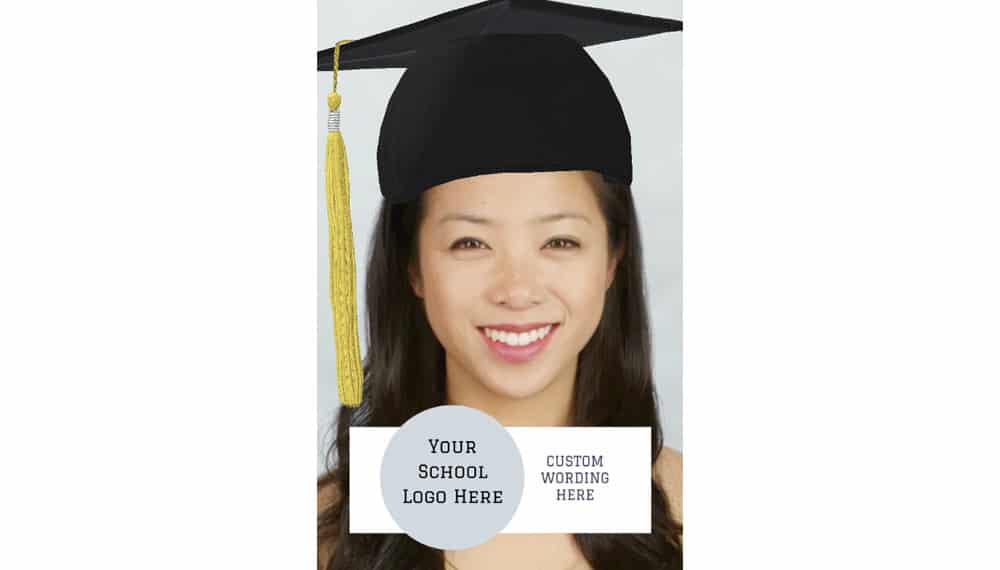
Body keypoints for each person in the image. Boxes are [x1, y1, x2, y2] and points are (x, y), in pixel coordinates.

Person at [317, 2, 682, 568]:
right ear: (411, 265)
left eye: (560, 242)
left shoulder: (690, 509)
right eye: (470, 243)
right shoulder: (320, 532)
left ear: (614, 258)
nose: (517, 289)